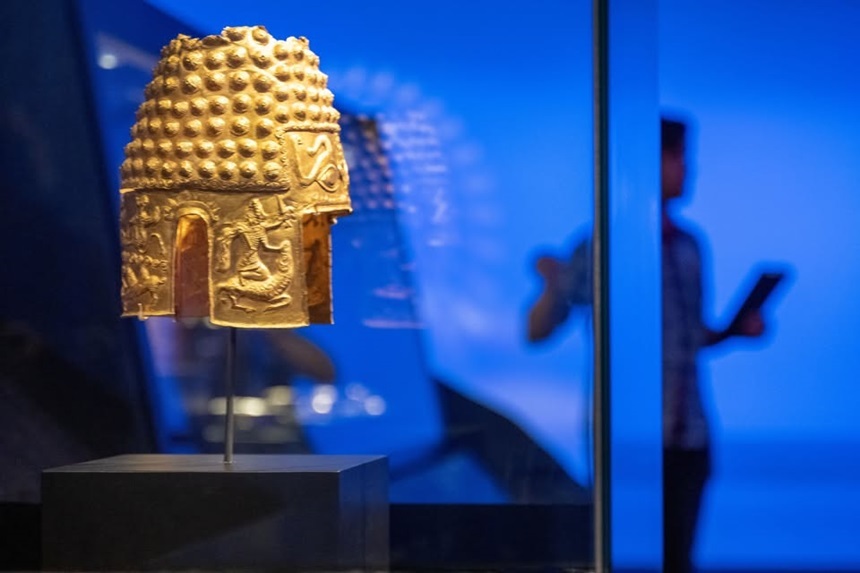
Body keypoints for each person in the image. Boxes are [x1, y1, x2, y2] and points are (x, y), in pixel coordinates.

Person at [527, 116, 765, 573]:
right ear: (647, 163)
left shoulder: (690, 246)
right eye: (677, 157)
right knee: (623, 555)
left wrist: (736, 330)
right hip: (627, 437)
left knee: (679, 558)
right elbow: (537, 331)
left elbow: (687, 339)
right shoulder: (604, 245)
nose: (688, 169)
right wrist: (554, 285)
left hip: (689, 432)